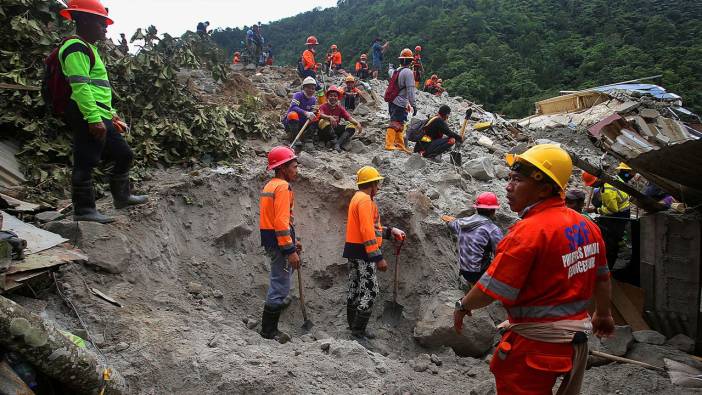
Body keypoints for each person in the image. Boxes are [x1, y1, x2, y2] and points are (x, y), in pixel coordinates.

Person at [453, 144, 614, 395]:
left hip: (538, 345)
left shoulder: (528, 232)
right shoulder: (587, 226)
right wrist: (603, 314)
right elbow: (602, 277)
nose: (508, 186)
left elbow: (489, 289)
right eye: (509, 179)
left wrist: (462, 306)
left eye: (517, 180)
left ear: (545, 188)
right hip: (575, 342)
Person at [57, 0, 148, 224]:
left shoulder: (89, 49)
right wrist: (94, 118)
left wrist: (112, 114)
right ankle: (84, 210)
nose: (105, 28)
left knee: (123, 154)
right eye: (101, 23)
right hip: (87, 114)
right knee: (86, 161)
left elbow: (97, 89)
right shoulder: (74, 47)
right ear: (85, 21)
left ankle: (122, 196)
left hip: (100, 113)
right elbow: (80, 87)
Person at [344, 166, 406, 342]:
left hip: (354, 250)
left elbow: (370, 228)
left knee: (355, 288)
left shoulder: (358, 198)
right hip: (364, 253)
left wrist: (390, 231)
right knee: (370, 291)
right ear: (371, 184)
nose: (378, 187)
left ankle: (353, 327)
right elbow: (366, 230)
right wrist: (377, 257)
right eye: (377, 184)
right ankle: (357, 332)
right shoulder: (364, 200)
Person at [259, 146, 302, 344]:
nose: (296, 170)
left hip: (270, 239)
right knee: (279, 284)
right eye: (293, 166)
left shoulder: (270, 185)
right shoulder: (283, 188)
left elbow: (280, 220)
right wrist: (289, 249)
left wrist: (294, 241)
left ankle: (276, 308)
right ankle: (268, 331)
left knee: (280, 279)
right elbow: (281, 223)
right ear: (283, 168)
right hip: (279, 242)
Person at [442, 192, 503, 286]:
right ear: (493, 211)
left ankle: (470, 286)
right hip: (479, 273)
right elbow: (500, 253)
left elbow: (452, 224)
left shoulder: (462, 222)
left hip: (464, 271)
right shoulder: (492, 229)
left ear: (477, 208)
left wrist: (447, 218)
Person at [587, 163, 632, 270]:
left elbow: (613, 210)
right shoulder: (611, 179)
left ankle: (610, 264)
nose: (593, 187)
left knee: (612, 239)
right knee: (615, 235)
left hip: (619, 214)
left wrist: (595, 210)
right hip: (624, 208)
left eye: (593, 184)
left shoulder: (607, 191)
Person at [385, 48, 416, 153]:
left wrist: (390, 68)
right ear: (410, 61)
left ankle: (399, 144)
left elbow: (390, 72)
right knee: (395, 122)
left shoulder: (397, 70)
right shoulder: (408, 73)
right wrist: (413, 105)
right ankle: (389, 144)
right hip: (400, 101)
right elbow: (410, 90)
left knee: (399, 122)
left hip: (392, 100)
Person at [317, 85, 363, 152]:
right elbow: (320, 114)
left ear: (338, 97)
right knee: (322, 121)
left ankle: (337, 144)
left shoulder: (340, 108)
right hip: (324, 131)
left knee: (351, 126)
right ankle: (334, 141)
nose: (333, 97)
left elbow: (349, 117)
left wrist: (357, 123)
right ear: (327, 97)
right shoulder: (323, 106)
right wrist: (329, 117)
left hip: (335, 129)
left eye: (335, 96)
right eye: (331, 95)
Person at [283, 76, 318, 150]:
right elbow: (293, 107)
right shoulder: (298, 95)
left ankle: (308, 139)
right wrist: (306, 113)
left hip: (303, 124)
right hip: (291, 123)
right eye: (308, 88)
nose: (311, 90)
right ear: (304, 88)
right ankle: (295, 139)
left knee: (316, 117)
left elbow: (312, 111)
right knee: (293, 114)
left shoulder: (313, 99)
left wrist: (313, 112)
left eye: (313, 88)